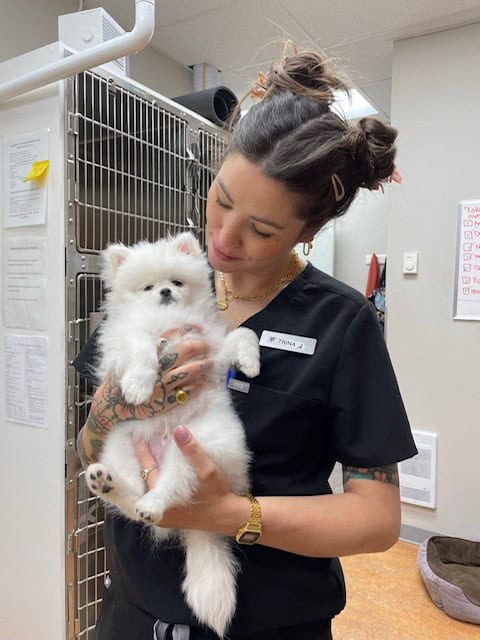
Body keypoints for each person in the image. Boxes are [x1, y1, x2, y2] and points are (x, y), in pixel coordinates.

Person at [75, 45, 417, 640]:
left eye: (261, 229)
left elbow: (377, 519)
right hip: (130, 613)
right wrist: (108, 414)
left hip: (267, 622)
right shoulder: (153, 287)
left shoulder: (342, 323)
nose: (225, 240)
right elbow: (88, 445)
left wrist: (233, 515)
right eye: (221, 201)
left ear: (308, 232)